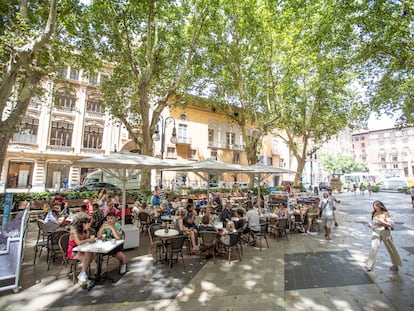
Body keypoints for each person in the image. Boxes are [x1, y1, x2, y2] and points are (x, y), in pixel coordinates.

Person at [366, 200, 402, 272]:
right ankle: (369, 265)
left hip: (385, 232)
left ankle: (396, 264)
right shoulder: (374, 213)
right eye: (374, 205)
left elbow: (390, 224)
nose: (374, 207)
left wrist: (381, 222)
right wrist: (371, 225)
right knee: (374, 248)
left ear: (380, 206)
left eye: (376, 206)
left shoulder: (385, 213)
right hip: (376, 232)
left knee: (390, 248)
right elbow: (374, 223)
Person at [67, 217, 95, 287]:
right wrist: (88, 240)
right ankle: (82, 276)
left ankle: (82, 274)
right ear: (83, 224)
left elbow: (85, 242)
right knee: (87, 258)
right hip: (73, 251)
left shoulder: (86, 231)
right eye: (88, 224)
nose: (90, 225)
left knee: (89, 254)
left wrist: (88, 237)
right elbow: (79, 243)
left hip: (81, 249)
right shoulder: (74, 231)